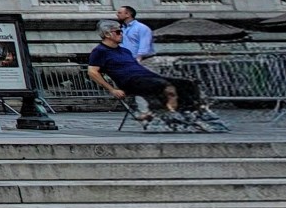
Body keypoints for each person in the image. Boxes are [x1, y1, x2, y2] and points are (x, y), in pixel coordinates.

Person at [86, 20, 228, 132]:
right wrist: (112, 89)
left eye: (121, 31)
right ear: (107, 34)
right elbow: (92, 72)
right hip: (131, 82)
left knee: (188, 83)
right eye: (117, 32)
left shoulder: (125, 51)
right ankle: (172, 114)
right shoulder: (100, 51)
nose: (121, 34)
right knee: (166, 86)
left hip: (146, 76)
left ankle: (193, 111)